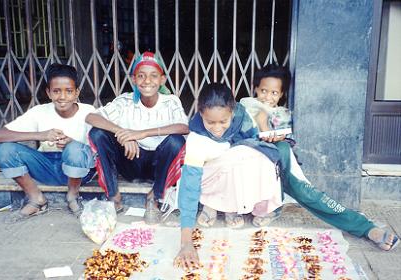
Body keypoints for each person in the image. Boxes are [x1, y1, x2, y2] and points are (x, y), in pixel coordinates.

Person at [240, 64, 399, 251]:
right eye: (264, 91)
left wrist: (263, 123)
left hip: (278, 163)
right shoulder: (244, 107)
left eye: (274, 93)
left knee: (309, 194)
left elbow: (280, 141)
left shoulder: (282, 115)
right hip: (250, 166)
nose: (268, 97)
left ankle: (366, 228)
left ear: (282, 95)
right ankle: (269, 207)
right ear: (255, 89)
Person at [174, 83, 283, 270]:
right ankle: (213, 203)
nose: (217, 128)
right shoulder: (197, 138)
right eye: (210, 122)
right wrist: (186, 242)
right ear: (201, 114)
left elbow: (255, 149)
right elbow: (190, 185)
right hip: (209, 181)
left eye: (223, 121)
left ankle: (234, 206)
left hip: (233, 173)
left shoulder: (243, 118)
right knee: (236, 155)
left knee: (259, 156)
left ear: (232, 111)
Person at [86, 51, 189, 224]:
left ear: (162, 80)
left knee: (176, 141)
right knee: (97, 133)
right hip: (130, 161)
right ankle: (114, 196)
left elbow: (183, 127)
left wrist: (142, 133)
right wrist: (123, 134)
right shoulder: (125, 101)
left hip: (157, 165)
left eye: (153, 76)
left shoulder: (171, 101)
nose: (147, 81)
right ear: (134, 79)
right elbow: (91, 117)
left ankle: (154, 197)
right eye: (141, 76)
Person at [0, 63, 96, 221]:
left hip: (79, 171)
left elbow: (100, 145)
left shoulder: (88, 111)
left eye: (69, 91)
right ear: (48, 92)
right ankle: (36, 199)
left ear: (77, 93)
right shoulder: (39, 112)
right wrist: (41, 135)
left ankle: (73, 196)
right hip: (45, 167)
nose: (62, 97)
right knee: (5, 150)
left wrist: (71, 142)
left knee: (75, 149)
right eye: (56, 91)